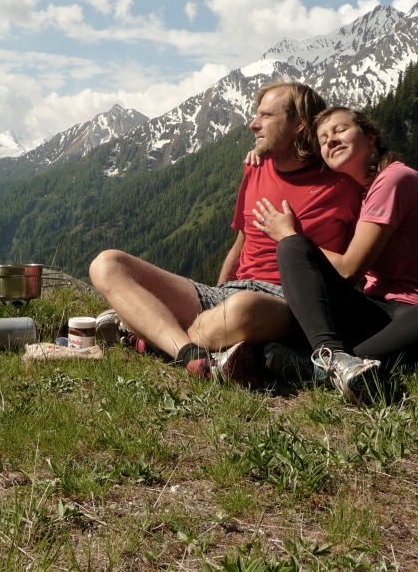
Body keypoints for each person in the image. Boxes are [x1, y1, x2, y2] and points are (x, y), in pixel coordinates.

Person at [90, 82, 363, 386]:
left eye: (266, 116)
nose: (253, 124)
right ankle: (189, 352)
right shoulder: (255, 168)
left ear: (298, 123)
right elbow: (241, 245)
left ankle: (146, 330)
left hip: (291, 302)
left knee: (241, 310)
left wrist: (290, 238)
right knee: (107, 264)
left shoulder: (344, 184)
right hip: (231, 292)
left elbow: (354, 270)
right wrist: (218, 292)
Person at [250, 106, 418, 403]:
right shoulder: (360, 194)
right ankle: (335, 360)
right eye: (323, 139)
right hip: (377, 317)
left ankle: (321, 365)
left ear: (370, 137)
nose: (330, 140)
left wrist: (287, 233)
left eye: (340, 130)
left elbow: (348, 270)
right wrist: (261, 155)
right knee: (293, 247)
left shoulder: (395, 178)